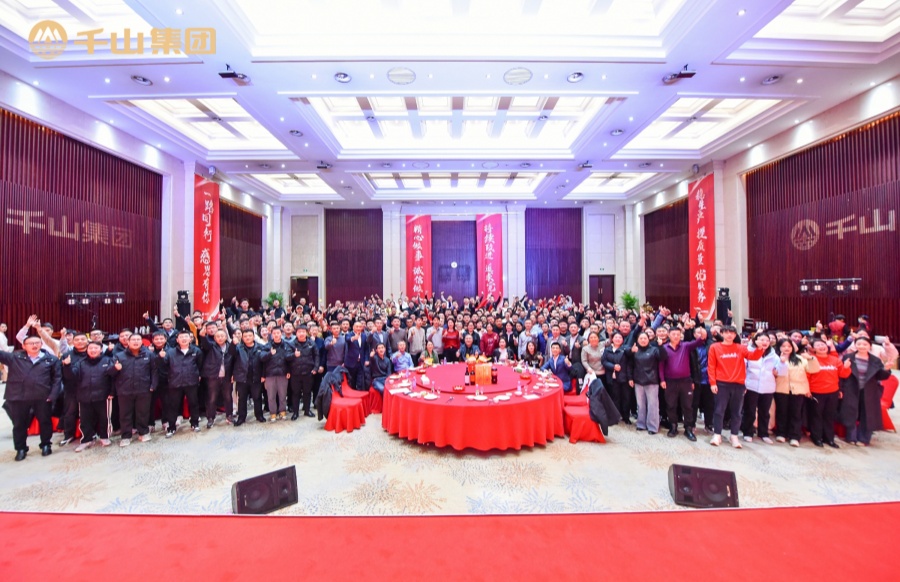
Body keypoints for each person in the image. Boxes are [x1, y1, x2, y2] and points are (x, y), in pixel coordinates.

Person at [0, 334, 62, 460]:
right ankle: (21, 448)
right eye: (30, 343)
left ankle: (46, 445)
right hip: (19, 397)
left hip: (42, 397)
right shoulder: (14, 357)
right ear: (24, 346)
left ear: (41, 344)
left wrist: (53, 395)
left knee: (45, 422)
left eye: (37, 343)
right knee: (19, 424)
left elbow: (57, 379)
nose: (34, 345)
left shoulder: (51, 359)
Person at [708, 326, 766, 448]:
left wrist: (760, 348)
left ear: (735, 335)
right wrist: (713, 383)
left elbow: (753, 356)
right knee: (719, 410)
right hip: (721, 383)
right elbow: (711, 366)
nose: (729, 335)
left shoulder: (740, 348)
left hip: (738, 384)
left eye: (732, 333)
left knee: (737, 412)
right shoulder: (714, 347)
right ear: (722, 334)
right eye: (726, 332)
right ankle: (717, 434)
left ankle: (734, 435)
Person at [840, 336, 892, 446]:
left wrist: (886, 369)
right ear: (855, 345)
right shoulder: (848, 357)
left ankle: (864, 439)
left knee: (868, 414)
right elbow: (841, 375)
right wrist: (840, 389)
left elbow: (880, 376)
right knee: (850, 413)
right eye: (859, 344)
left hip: (869, 390)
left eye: (865, 344)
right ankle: (851, 437)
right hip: (851, 389)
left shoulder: (875, 360)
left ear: (870, 346)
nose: (861, 346)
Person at [64, 342, 114, 452]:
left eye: (96, 348)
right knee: (85, 420)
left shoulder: (107, 360)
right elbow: (72, 376)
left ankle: (104, 437)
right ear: (87, 350)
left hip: (103, 395)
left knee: (104, 418)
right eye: (90, 348)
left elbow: (113, 378)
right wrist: (67, 366)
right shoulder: (80, 362)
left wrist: (112, 392)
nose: (93, 350)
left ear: (101, 350)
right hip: (84, 395)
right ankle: (87, 439)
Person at [109, 333, 157, 446]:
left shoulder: (149, 354)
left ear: (142, 342)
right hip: (124, 390)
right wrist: (115, 368)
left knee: (143, 412)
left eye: (138, 340)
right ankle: (126, 436)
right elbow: (110, 373)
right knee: (125, 414)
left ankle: (143, 432)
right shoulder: (119, 356)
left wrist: (153, 385)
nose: (136, 342)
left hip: (144, 389)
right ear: (128, 342)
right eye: (133, 340)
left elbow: (154, 371)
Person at [772, 338, 819, 447]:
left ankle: (794, 436)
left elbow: (814, 370)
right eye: (783, 346)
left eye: (789, 346)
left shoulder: (800, 358)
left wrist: (811, 358)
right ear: (779, 347)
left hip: (798, 390)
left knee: (796, 414)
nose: (786, 348)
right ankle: (781, 433)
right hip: (781, 389)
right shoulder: (775, 358)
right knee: (782, 412)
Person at [661, 327, 704, 442]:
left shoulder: (686, 346)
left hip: (686, 381)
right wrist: (662, 380)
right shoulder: (664, 348)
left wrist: (702, 333)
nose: (676, 336)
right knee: (671, 405)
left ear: (681, 335)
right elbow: (661, 365)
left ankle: (688, 428)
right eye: (673, 334)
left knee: (687, 406)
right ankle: (673, 426)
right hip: (670, 381)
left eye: (678, 334)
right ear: (669, 335)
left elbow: (699, 342)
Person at [808, 338, 850, 448]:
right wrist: (807, 390)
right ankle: (816, 437)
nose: (821, 347)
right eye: (818, 345)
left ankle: (829, 438)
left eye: (823, 344)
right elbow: (807, 376)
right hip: (816, 392)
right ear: (813, 349)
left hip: (832, 392)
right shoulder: (811, 359)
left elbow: (843, 375)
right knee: (816, 415)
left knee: (829, 416)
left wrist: (846, 367)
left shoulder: (835, 360)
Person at [160, 330, 204, 437]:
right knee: (173, 406)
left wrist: (196, 375)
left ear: (190, 339)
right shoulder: (170, 352)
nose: (184, 339)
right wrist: (161, 358)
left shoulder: (196, 351)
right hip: (175, 383)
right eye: (181, 337)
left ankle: (194, 423)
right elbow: (164, 367)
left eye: (186, 337)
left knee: (193, 403)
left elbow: (200, 365)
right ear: (177, 340)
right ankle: (171, 427)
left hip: (191, 382)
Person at [740, 332, 779, 444]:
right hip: (751, 385)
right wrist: (744, 383)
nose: (764, 342)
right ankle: (748, 432)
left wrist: (781, 365)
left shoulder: (774, 355)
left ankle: (763, 433)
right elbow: (743, 368)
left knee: (765, 412)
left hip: (768, 387)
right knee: (750, 411)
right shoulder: (749, 351)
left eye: (767, 340)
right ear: (755, 341)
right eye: (762, 340)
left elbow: (779, 371)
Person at [630, 331, 666, 435]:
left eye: (645, 338)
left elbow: (663, 357)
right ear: (637, 340)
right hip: (638, 381)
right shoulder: (635, 350)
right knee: (640, 405)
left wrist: (661, 346)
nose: (643, 340)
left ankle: (653, 426)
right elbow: (631, 365)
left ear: (648, 339)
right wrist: (631, 378)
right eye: (641, 338)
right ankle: (641, 424)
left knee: (652, 405)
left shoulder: (654, 349)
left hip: (651, 381)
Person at [57, 331, 89, 446]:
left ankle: (90, 434)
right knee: (69, 412)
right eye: (77, 340)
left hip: (89, 388)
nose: (80, 342)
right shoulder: (67, 355)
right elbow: (61, 372)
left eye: (82, 339)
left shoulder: (92, 352)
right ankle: (68, 435)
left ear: (87, 341)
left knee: (88, 412)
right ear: (73, 342)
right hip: (71, 389)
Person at [199, 327, 236, 428]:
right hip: (213, 377)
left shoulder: (231, 346)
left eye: (222, 336)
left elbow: (235, 360)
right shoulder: (211, 346)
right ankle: (210, 418)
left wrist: (234, 374)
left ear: (226, 337)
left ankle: (229, 416)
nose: (220, 338)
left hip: (227, 376)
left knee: (228, 397)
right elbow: (205, 342)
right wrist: (202, 335)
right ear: (214, 338)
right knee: (212, 398)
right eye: (218, 336)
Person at [259, 327, 293, 422]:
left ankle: (282, 412)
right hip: (270, 374)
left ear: (281, 334)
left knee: (283, 395)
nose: (276, 335)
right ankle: (273, 413)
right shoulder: (267, 346)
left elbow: (289, 360)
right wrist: (270, 353)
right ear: (271, 334)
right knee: (271, 396)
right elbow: (261, 358)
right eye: (274, 333)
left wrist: (288, 371)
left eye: (278, 333)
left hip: (283, 373)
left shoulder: (286, 345)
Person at [233, 329, 264, 425]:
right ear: (242, 338)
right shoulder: (238, 347)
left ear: (254, 337)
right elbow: (231, 355)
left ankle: (259, 415)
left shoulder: (260, 347)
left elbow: (264, 363)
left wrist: (264, 375)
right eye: (245, 336)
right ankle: (241, 417)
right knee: (242, 398)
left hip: (256, 376)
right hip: (242, 377)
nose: (247, 338)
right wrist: (233, 344)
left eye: (250, 336)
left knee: (257, 397)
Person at [288, 326, 319, 419]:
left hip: (308, 372)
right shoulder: (291, 344)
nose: (301, 333)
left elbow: (316, 356)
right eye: (299, 332)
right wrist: (294, 355)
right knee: (295, 393)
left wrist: (316, 368)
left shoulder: (311, 343)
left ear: (306, 333)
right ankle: (295, 412)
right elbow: (287, 356)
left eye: (303, 331)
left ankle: (307, 410)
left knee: (307, 392)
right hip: (295, 373)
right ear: (296, 333)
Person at [602, 332, 631, 421]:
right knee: (615, 397)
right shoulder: (607, 350)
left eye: (620, 337)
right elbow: (604, 361)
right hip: (612, 377)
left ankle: (626, 417)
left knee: (626, 398)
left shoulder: (626, 349)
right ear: (612, 339)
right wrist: (613, 366)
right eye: (616, 337)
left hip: (624, 377)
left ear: (623, 340)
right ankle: (616, 416)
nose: (618, 339)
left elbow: (630, 361)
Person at [344, 320, 368, 390]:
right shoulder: (349, 334)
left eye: (360, 327)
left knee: (360, 382)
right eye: (357, 326)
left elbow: (366, 348)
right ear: (353, 327)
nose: (358, 328)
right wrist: (353, 338)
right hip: (351, 362)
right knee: (351, 382)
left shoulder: (364, 336)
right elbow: (347, 339)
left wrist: (366, 359)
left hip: (361, 362)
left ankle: (359, 394)